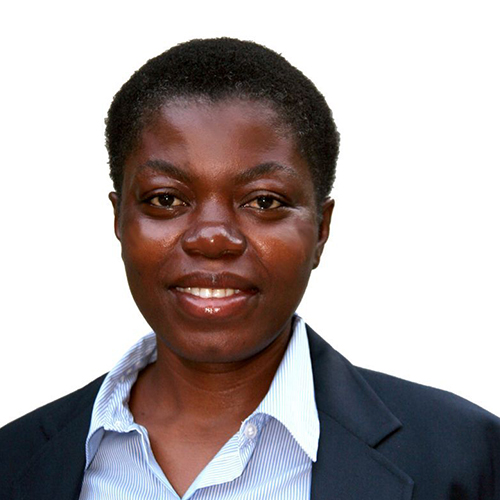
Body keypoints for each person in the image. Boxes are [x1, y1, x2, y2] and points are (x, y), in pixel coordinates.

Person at [1, 37, 499, 500]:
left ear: (321, 229)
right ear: (118, 219)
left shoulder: (467, 458)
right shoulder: (13, 462)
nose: (212, 238)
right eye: (166, 199)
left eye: (264, 201)